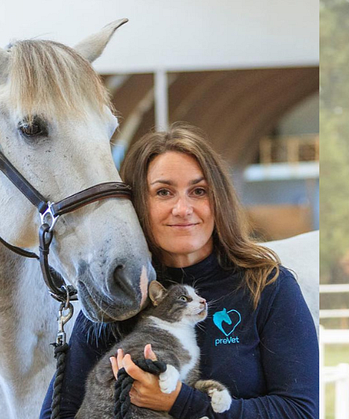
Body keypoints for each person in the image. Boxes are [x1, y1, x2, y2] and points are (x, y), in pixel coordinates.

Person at [40, 122, 318, 418]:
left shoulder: (267, 286)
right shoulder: (119, 294)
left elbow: (299, 411)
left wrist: (181, 402)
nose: (183, 208)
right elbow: (58, 413)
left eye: (198, 191)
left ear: (218, 200)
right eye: (163, 192)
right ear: (138, 204)